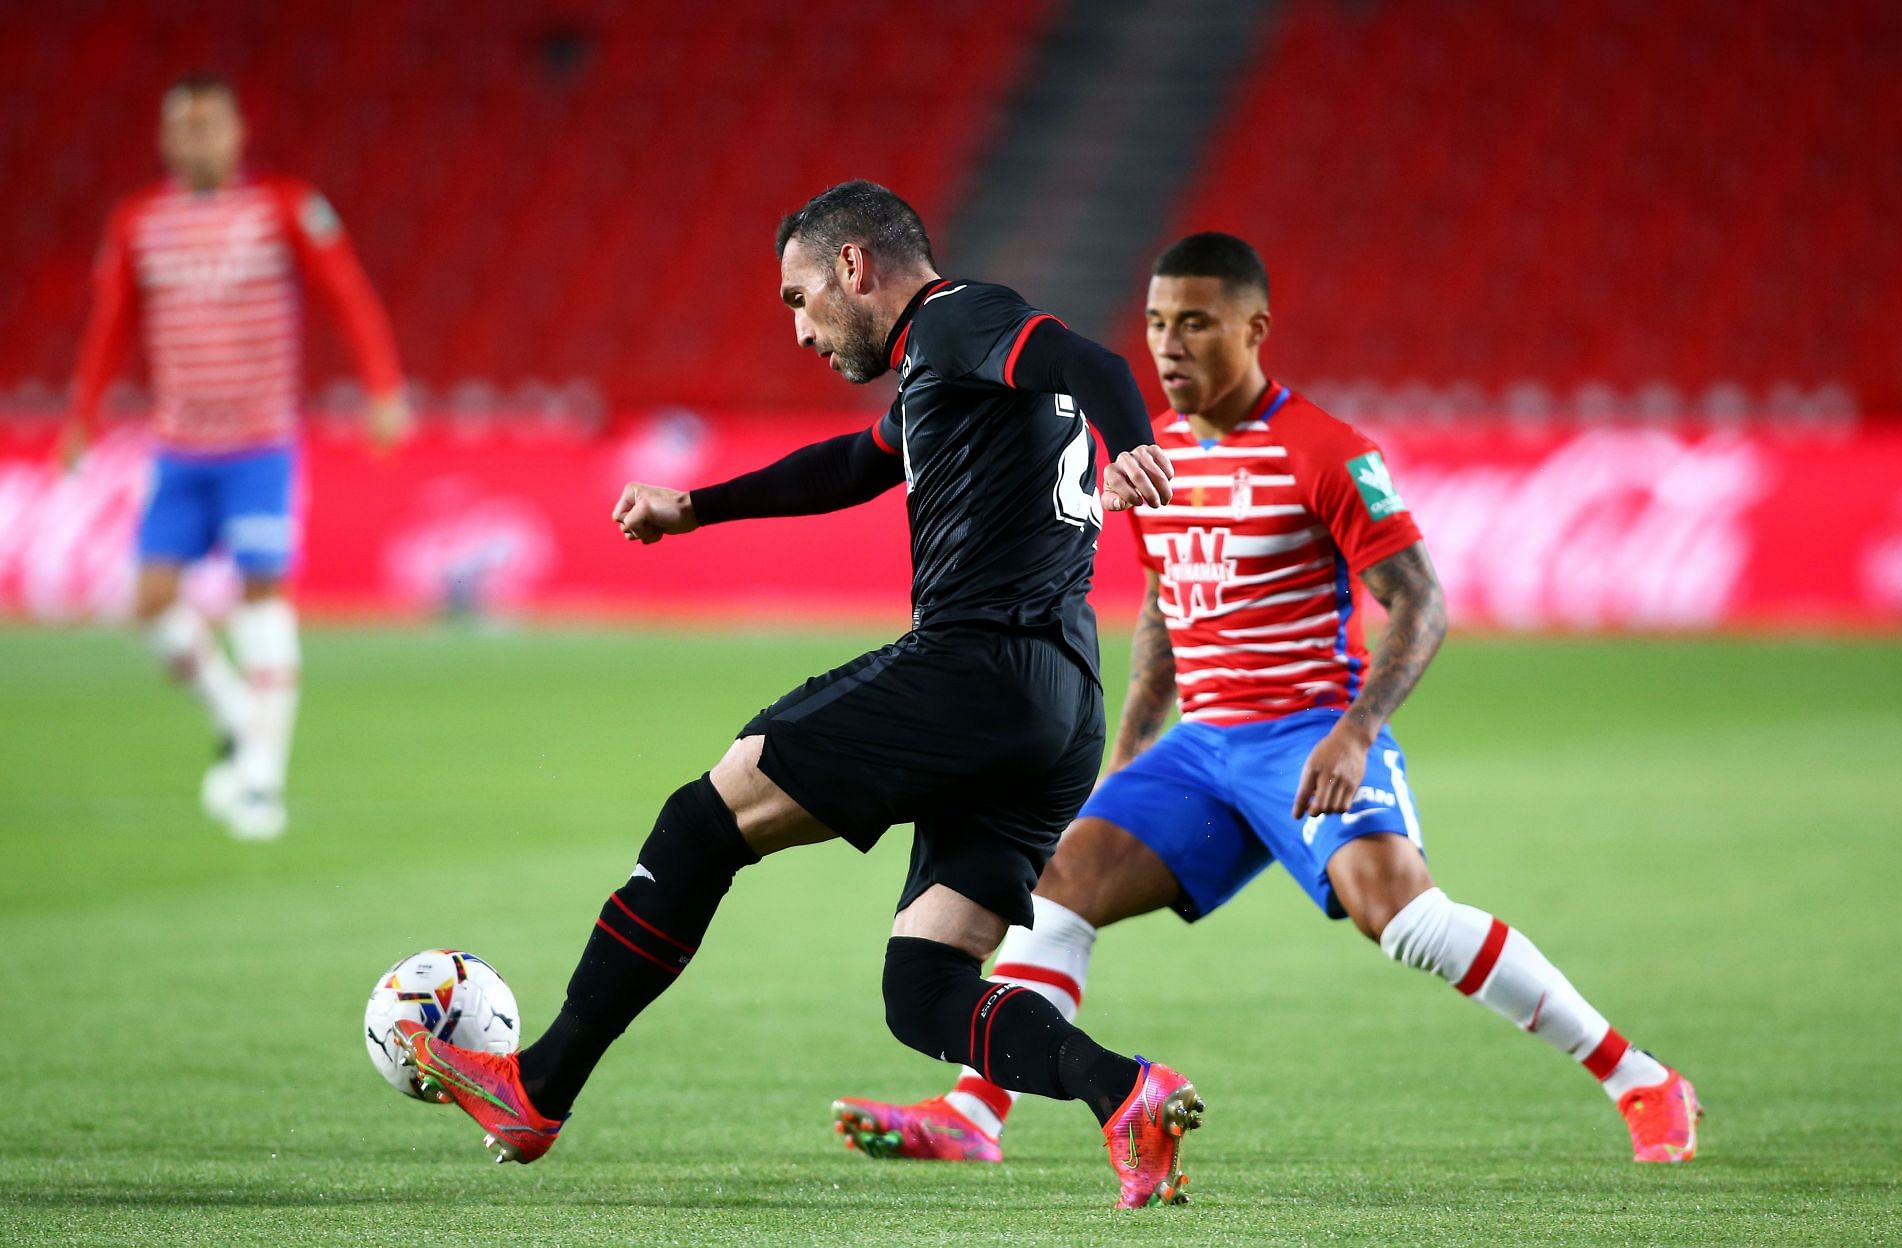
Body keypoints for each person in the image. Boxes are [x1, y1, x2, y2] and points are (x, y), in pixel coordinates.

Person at [391, 180, 1206, 1208]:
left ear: (854, 267)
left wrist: (1135, 439)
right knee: (924, 989)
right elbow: (855, 466)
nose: (798, 328)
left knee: (700, 822)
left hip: (975, 668)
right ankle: (1123, 1093)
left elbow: (1093, 362)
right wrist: (695, 506)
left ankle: (538, 1087)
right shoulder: (947, 373)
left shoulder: (957, 317)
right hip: (1060, 704)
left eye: (797, 296)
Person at [831, 232, 1702, 1167]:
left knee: (1406, 920)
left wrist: (1359, 732)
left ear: (1256, 329)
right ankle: (976, 1114)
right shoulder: (1151, 449)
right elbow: (1169, 604)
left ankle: (1639, 1077)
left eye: (1196, 324)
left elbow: (1421, 601)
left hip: (1308, 734)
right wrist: (1127, 750)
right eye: (1159, 323)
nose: (1169, 346)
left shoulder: (1324, 448)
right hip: (1203, 751)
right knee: (1058, 886)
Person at [64, 72, 409, 840]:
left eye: (209, 123)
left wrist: (383, 386)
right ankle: (232, 717)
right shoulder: (138, 221)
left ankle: (260, 778)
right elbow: (110, 323)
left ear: (236, 131)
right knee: (149, 599)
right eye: (182, 126)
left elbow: (346, 292)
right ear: (165, 139)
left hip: (259, 445)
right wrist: (82, 414)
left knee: (263, 595)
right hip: (180, 447)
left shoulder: (282, 207)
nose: (197, 138)